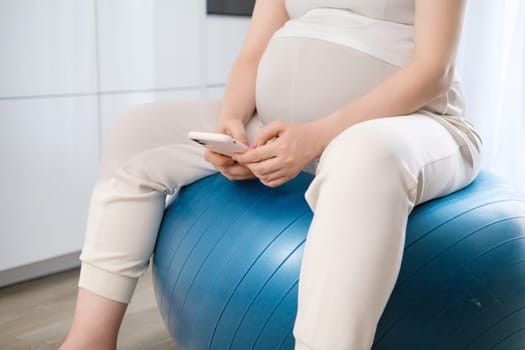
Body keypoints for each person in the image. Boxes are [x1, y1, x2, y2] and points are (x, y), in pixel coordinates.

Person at [60, 0, 482, 349]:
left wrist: (319, 136)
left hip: (412, 123)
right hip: (286, 129)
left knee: (363, 156)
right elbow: (253, 53)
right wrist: (231, 124)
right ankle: (89, 340)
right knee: (136, 131)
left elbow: (434, 70)